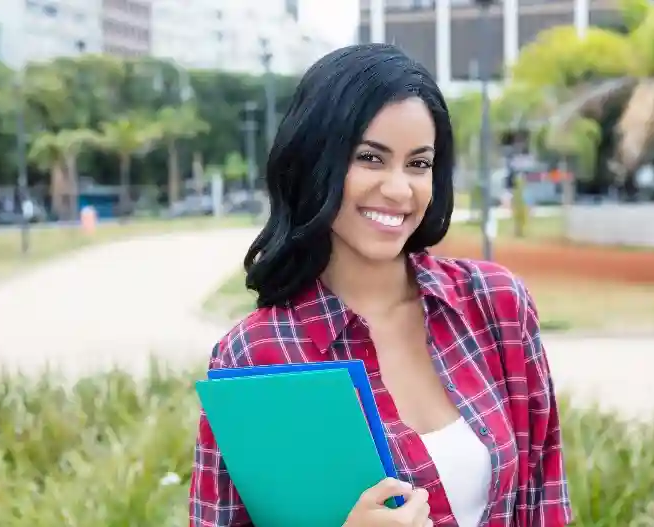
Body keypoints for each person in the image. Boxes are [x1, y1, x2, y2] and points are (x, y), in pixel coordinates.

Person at [190, 43, 571, 527]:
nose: (399, 189)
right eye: (371, 158)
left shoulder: (496, 305)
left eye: (419, 164)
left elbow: (543, 500)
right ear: (314, 161)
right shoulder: (256, 355)